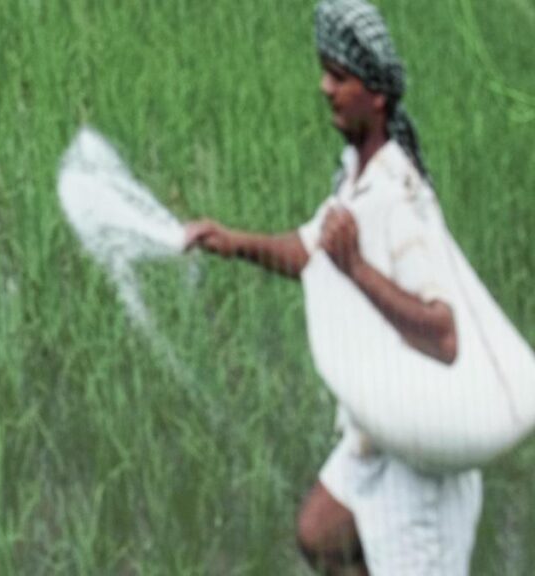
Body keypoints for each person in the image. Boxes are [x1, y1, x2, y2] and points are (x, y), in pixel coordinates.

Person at [184, 0, 481, 574]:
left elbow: (444, 334)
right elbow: (312, 250)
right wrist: (232, 240)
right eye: (325, 72)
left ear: (377, 95)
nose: (325, 88)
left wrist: (360, 273)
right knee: (320, 535)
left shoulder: (402, 200)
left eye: (338, 77)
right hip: (381, 424)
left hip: (419, 445)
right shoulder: (356, 177)